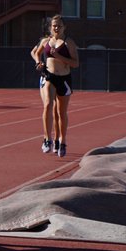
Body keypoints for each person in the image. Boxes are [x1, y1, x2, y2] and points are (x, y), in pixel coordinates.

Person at [30, 15, 79, 157]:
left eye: (59, 26)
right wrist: (38, 62)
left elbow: (75, 63)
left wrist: (58, 56)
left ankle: (61, 141)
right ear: (50, 27)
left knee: (60, 113)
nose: (56, 28)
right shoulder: (46, 41)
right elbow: (35, 53)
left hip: (64, 78)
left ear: (64, 27)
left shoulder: (68, 42)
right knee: (47, 105)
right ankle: (47, 139)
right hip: (49, 76)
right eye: (54, 26)